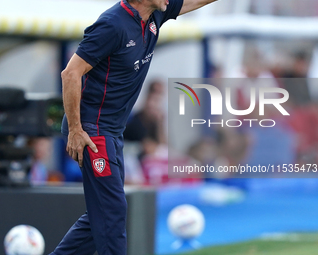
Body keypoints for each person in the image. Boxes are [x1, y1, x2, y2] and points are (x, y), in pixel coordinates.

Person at [51, 0, 217, 254]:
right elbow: (70, 74)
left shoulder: (155, 14)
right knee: (113, 211)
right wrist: (75, 129)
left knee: (104, 213)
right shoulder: (112, 24)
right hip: (91, 131)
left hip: (112, 132)